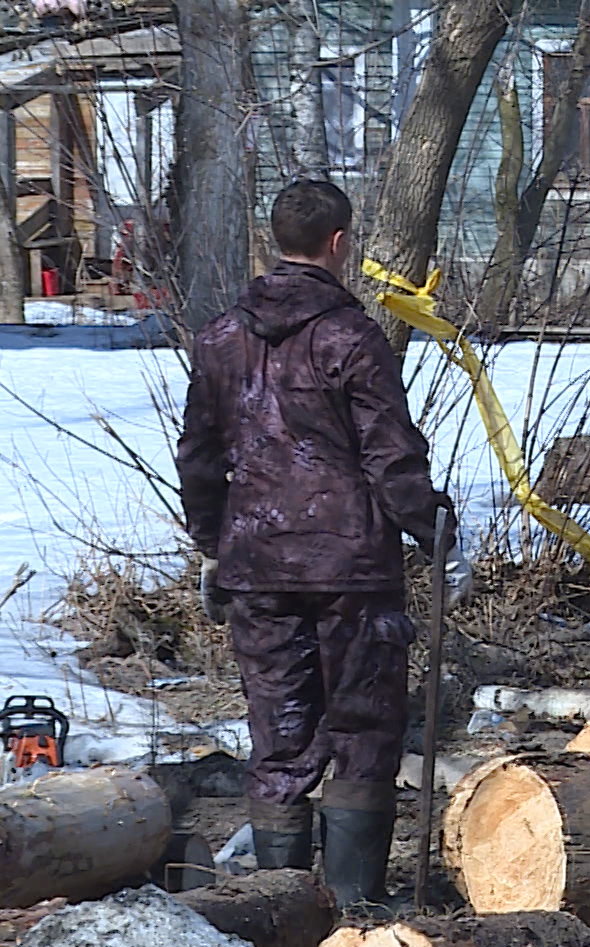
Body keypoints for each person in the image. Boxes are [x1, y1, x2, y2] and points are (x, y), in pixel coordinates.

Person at [175, 180, 472, 905]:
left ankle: (280, 910)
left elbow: (198, 457)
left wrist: (213, 545)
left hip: (256, 562)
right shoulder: (351, 339)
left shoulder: (220, 339)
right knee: (364, 731)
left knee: (278, 733)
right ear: (339, 244)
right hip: (352, 567)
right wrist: (434, 532)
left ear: (273, 239)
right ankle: (355, 911)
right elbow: (390, 456)